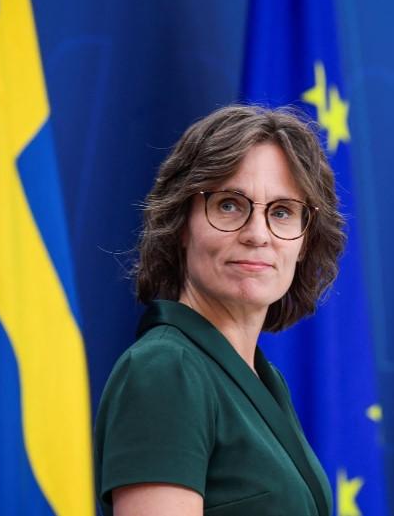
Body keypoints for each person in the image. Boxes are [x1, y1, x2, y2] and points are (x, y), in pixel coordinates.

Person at [94, 105, 344, 516]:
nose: (258, 235)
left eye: (282, 212)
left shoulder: (262, 379)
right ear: (181, 224)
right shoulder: (166, 369)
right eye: (229, 205)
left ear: (305, 242)